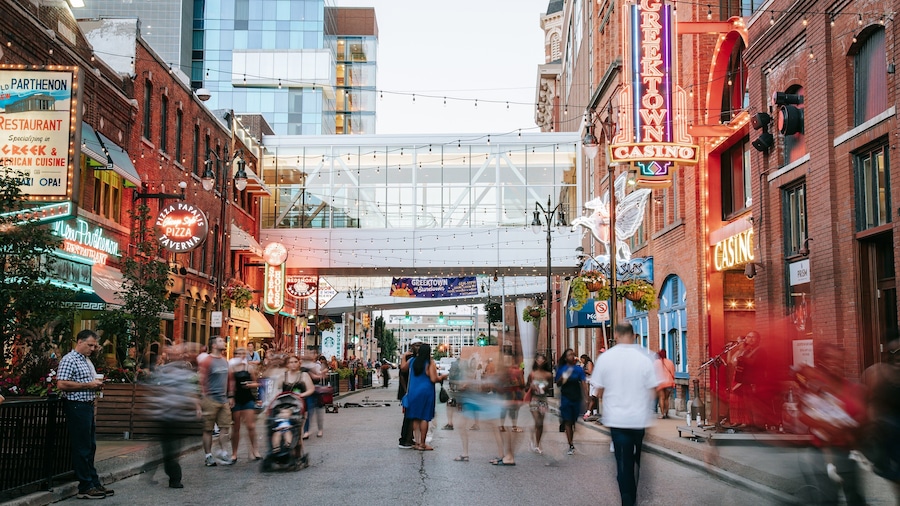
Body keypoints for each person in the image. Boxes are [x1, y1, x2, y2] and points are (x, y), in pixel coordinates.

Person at [591, 321, 661, 506]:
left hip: (617, 419)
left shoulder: (606, 358)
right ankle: (632, 496)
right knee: (635, 460)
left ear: (616, 335)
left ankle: (627, 500)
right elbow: (654, 389)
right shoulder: (646, 356)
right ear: (633, 335)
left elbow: (598, 390)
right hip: (639, 419)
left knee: (623, 462)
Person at [795, 343, 867, 505]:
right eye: (829, 359)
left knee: (855, 497)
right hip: (821, 454)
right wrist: (828, 426)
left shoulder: (852, 387)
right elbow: (802, 415)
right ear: (821, 361)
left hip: (846, 453)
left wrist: (853, 424)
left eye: (839, 360)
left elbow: (862, 415)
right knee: (828, 499)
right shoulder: (815, 385)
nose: (835, 363)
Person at [56, 329, 114, 499]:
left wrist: (96, 384)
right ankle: (85, 486)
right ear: (79, 342)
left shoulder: (86, 360)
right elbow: (62, 384)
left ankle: (93, 482)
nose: (93, 349)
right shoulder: (70, 359)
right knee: (82, 447)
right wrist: (87, 386)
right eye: (90, 345)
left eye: (94, 346)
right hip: (76, 406)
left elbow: (87, 382)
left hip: (86, 405)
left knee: (90, 446)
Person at [143, 343, 201, 489]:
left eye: (177, 353)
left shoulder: (184, 372)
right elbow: (155, 390)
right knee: (168, 449)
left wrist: (196, 407)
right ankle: (173, 478)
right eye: (172, 353)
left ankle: (166, 476)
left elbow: (190, 391)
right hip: (164, 415)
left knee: (171, 449)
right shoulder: (163, 370)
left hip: (176, 416)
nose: (174, 355)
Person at [403, 343, 448, 451]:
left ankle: (417, 443)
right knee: (424, 417)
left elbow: (403, 368)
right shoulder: (429, 362)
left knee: (415, 417)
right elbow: (433, 378)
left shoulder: (412, 361)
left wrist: (404, 357)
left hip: (413, 392)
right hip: (426, 391)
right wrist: (442, 377)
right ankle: (423, 444)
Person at [198, 335, 234, 467]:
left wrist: (230, 395)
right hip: (210, 398)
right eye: (220, 341)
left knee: (225, 427)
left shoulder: (224, 361)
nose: (223, 342)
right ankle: (208, 456)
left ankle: (223, 452)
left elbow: (230, 379)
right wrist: (202, 399)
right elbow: (201, 380)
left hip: (223, 399)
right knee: (208, 429)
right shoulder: (207, 361)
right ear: (214, 345)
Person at [229, 348, 261, 462]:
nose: (240, 356)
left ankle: (255, 450)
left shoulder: (249, 368)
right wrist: (231, 397)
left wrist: (250, 385)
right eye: (237, 354)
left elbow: (256, 382)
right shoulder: (231, 368)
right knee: (236, 427)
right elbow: (230, 383)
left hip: (248, 398)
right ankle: (234, 453)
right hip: (236, 398)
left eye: (242, 354)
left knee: (251, 426)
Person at [556, 348, 586, 455]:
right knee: (568, 421)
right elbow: (558, 383)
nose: (572, 356)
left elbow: (583, 382)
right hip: (566, 397)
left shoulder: (578, 369)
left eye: (573, 355)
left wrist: (586, 397)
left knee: (573, 421)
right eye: (569, 355)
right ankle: (570, 444)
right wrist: (563, 378)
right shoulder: (561, 369)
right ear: (565, 357)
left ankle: (571, 434)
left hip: (576, 396)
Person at [277, 355, 316, 438]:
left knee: (298, 431)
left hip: (299, 405)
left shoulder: (304, 375)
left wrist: (301, 395)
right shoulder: (282, 376)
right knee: (286, 429)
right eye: (291, 362)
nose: (293, 364)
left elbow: (311, 389)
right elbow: (277, 389)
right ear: (287, 364)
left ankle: (298, 447)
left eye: (295, 362)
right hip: (285, 407)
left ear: (299, 363)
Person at [397, 339, 423, 449]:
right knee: (408, 416)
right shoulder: (409, 357)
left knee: (412, 416)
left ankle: (409, 438)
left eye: (420, 345)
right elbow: (402, 374)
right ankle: (404, 440)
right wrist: (406, 391)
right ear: (411, 346)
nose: (418, 347)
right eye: (416, 345)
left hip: (413, 390)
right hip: (408, 390)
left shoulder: (418, 358)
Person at [526, 352, 553, 454]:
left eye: (542, 359)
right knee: (537, 420)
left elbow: (550, 388)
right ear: (536, 361)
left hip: (543, 400)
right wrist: (532, 387)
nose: (540, 361)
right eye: (538, 359)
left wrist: (544, 388)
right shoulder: (532, 374)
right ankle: (534, 439)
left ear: (545, 361)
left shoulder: (548, 375)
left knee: (540, 424)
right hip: (534, 399)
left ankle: (537, 443)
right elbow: (526, 387)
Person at [656, 349, 676, 419]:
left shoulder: (656, 362)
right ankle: (666, 413)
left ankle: (662, 414)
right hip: (669, 382)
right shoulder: (670, 362)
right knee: (667, 398)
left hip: (660, 383)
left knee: (661, 398)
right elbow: (673, 372)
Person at [581, 354, 598, 420]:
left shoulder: (589, 363)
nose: (581, 361)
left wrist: (583, 370)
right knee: (591, 397)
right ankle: (593, 412)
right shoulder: (585, 364)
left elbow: (590, 372)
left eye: (582, 359)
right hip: (589, 381)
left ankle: (589, 412)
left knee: (592, 397)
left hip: (592, 380)